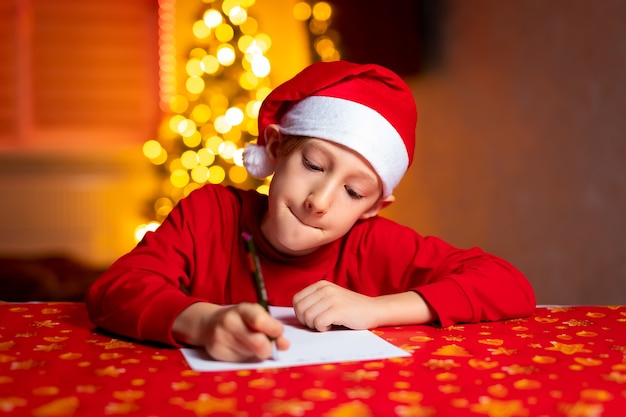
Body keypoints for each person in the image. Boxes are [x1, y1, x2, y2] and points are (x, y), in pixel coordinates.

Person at [85, 61, 536, 363]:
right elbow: (114, 289)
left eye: (353, 192)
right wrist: (203, 322)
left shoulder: (374, 243)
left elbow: (508, 284)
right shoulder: (209, 214)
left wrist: (377, 310)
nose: (319, 201)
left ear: (373, 208)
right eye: (314, 165)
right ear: (276, 148)